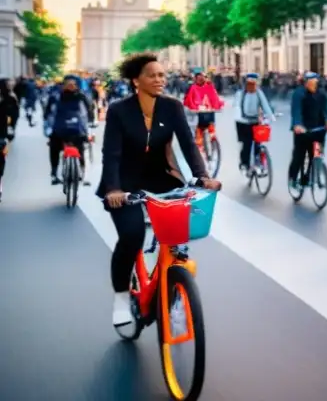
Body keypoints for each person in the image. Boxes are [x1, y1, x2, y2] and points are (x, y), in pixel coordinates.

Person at [98, 53, 221, 328]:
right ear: (135, 80)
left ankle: (176, 294)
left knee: (179, 240)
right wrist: (114, 189)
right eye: (152, 75)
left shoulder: (172, 107)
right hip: (124, 184)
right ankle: (120, 298)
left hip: (163, 179)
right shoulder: (119, 110)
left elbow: (189, 145)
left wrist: (202, 176)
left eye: (162, 75)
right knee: (132, 236)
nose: (159, 80)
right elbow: (112, 155)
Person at [44, 75, 94, 186]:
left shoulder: (81, 96)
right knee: (54, 146)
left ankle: (82, 171)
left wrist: (91, 123)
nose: (70, 86)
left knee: (81, 149)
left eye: (73, 84)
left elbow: (89, 110)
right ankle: (54, 172)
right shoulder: (56, 96)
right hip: (59, 128)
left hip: (77, 128)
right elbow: (48, 111)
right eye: (68, 84)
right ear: (63, 85)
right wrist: (47, 123)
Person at [289, 72, 327, 190]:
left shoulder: (321, 94)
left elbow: (325, 110)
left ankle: (313, 177)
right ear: (305, 83)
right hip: (303, 131)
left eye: (315, 83)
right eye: (310, 83)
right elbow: (296, 111)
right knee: (299, 156)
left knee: (317, 155)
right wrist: (297, 125)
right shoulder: (299, 94)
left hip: (318, 130)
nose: (313, 85)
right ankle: (293, 178)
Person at [234, 73, 276, 172]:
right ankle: (245, 163)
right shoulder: (241, 93)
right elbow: (237, 107)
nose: (252, 85)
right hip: (243, 122)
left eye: (254, 83)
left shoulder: (258, 93)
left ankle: (258, 161)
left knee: (258, 142)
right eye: (250, 83)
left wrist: (270, 116)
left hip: (256, 120)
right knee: (246, 144)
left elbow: (265, 104)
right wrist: (240, 117)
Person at [182, 68, 223, 146]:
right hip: (196, 113)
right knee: (198, 131)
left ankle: (213, 142)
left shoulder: (209, 87)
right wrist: (191, 108)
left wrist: (217, 106)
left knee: (211, 126)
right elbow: (188, 100)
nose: (201, 80)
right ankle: (200, 148)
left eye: (202, 78)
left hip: (207, 112)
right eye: (198, 78)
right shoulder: (192, 88)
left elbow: (214, 97)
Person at [0, 78, 20, 202]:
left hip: (3, 133)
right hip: (2, 133)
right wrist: (11, 128)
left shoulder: (10, 98)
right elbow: (15, 114)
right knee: (1, 155)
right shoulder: (10, 98)